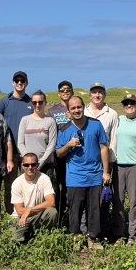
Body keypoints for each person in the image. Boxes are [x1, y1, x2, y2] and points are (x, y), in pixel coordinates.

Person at [56, 96, 110, 248]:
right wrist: (68, 145)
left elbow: (104, 147)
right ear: (69, 111)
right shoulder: (65, 129)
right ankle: (76, 239)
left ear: (83, 107)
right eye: (73, 108)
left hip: (95, 174)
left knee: (94, 209)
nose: (76, 110)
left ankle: (92, 239)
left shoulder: (95, 124)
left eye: (79, 107)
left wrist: (106, 171)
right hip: (75, 177)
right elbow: (59, 154)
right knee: (75, 210)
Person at [0, 71, 33, 214]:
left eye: (22, 80)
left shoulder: (31, 102)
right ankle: (11, 214)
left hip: (27, 153)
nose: (19, 83)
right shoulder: (4, 102)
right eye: (16, 80)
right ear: (12, 83)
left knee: (28, 186)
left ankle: (26, 214)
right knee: (10, 186)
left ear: (26, 83)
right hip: (9, 153)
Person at [84, 82, 118, 238]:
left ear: (104, 94)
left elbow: (113, 142)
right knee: (86, 200)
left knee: (103, 199)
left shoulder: (111, 114)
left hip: (103, 165)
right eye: (94, 92)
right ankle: (85, 231)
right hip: (84, 164)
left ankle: (101, 231)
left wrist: (108, 167)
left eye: (100, 92)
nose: (97, 95)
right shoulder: (83, 111)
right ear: (90, 95)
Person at [112, 94, 136, 243]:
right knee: (118, 201)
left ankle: (133, 235)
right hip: (118, 166)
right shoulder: (118, 120)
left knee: (134, 202)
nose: (129, 106)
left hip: (135, 166)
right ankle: (118, 233)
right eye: (126, 103)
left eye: (132, 103)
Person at [11, 153, 58, 243]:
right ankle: (29, 237)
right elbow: (20, 211)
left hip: (38, 215)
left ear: (37, 165)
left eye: (33, 164)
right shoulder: (17, 183)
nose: (30, 167)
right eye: (26, 165)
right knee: (13, 241)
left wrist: (29, 210)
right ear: (22, 166)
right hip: (21, 218)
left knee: (52, 212)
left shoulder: (44, 178)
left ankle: (45, 239)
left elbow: (51, 202)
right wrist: (28, 211)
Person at [46, 80, 74, 226]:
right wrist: (52, 155)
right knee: (61, 186)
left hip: (75, 154)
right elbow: (49, 135)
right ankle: (59, 218)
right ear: (58, 93)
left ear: (72, 92)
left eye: (68, 89)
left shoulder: (77, 107)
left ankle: (73, 216)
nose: (65, 92)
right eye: (62, 90)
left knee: (74, 186)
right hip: (59, 154)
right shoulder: (52, 111)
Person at [18, 90, 57, 177]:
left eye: (40, 102)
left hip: (45, 164)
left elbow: (52, 145)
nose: (37, 105)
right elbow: (20, 143)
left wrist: (40, 163)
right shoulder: (25, 120)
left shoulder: (50, 121)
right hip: (28, 166)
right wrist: (29, 162)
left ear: (45, 103)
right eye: (34, 102)